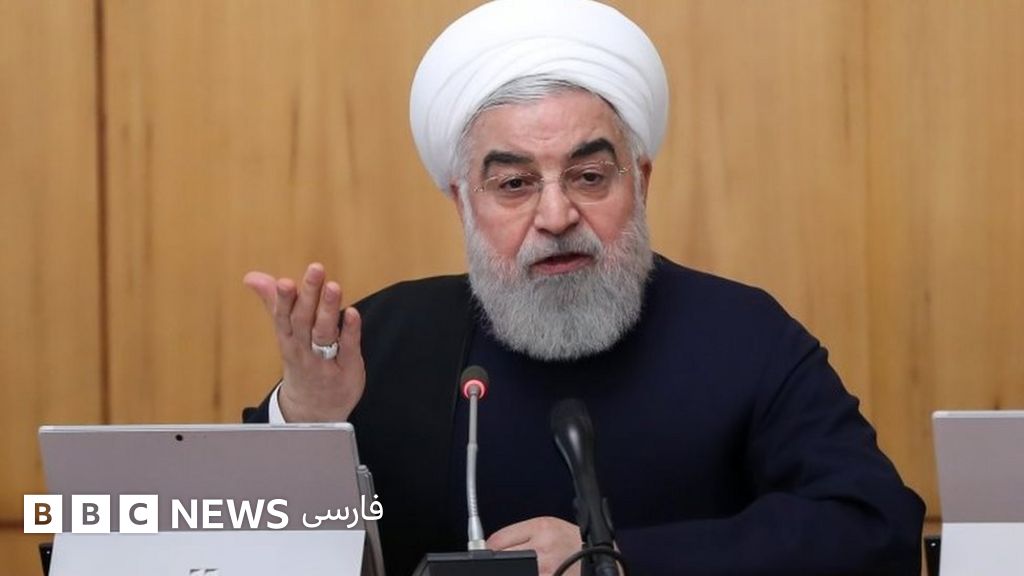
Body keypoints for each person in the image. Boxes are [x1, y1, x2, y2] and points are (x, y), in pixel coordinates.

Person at [242, 1, 925, 575]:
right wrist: (308, 421)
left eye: (590, 177)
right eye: (514, 184)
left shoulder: (744, 335)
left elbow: (875, 527)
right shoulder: (387, 339)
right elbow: (235, 538)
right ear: (463, 202)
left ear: (641, 182)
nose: (556, 215)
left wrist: (615, 561)